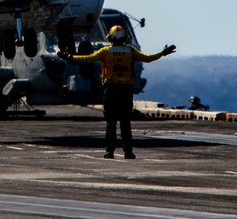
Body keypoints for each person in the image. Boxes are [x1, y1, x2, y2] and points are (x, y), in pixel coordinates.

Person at [59, 26, 176, 159]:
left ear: (110, 38)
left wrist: (69, 57)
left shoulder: (105, 51)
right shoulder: (131, 51)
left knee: (111, 123)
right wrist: (162, 53)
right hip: (126, 91)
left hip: (111, 90)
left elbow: (87, 59)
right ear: (125, 38)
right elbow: (148, 58)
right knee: (125, 122)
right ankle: (128, 152)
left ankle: (110, 152)